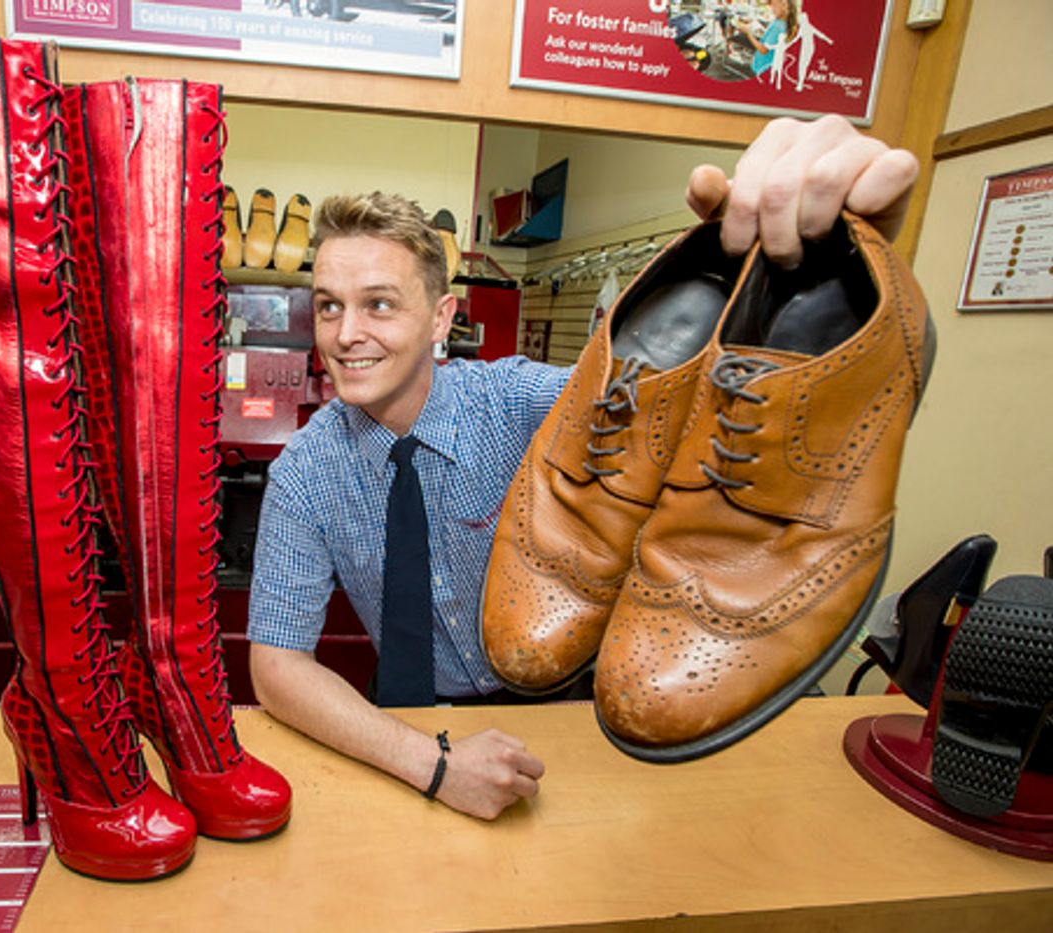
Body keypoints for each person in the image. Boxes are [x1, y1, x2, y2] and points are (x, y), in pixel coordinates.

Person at [246, 115, 920, 820]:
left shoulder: (525, 401)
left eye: (378, 303)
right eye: (329, 306)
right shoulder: (305, 472)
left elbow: (703, 414)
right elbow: (278, 665)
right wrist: (435, 765)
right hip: (411, 728)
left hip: (576, 707)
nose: (346, 333)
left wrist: (826, 287)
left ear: (442, 318)